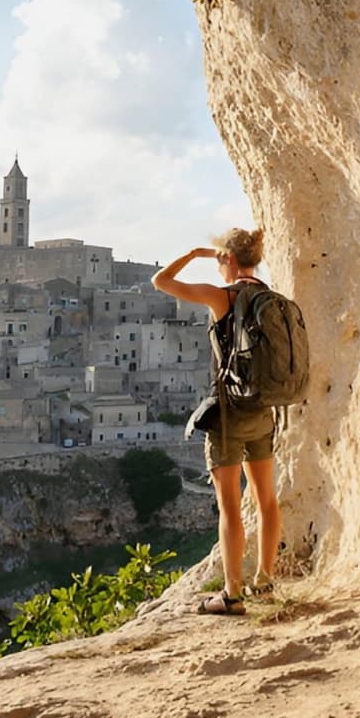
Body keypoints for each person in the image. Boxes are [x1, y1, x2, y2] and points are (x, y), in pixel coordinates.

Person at [151, 228, 281, 615]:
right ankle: (266, 581)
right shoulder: (269, 298)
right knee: (267, 500)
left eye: (221, 258)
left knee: (230, 507)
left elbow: (160, 281)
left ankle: (232, 594)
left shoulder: (221, 297)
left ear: (227, 258)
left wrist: (194, 253)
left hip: (228, 414)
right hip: (263, 410)